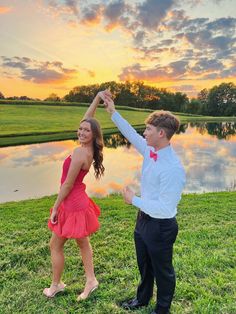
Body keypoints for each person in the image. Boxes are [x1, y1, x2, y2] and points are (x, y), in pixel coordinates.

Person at [103, 91, 186, 314]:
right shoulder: (151, 151)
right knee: (145, 265)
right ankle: (142, 299)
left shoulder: (173, 169)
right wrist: (113, 112)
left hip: (161, 226)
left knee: (163, 270)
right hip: (143, 221)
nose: (144, 132)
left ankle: (162, 309)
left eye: (148, 129)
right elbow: (130, 134)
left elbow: (166, 208)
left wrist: (134, 200)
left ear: (161, 133)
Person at [43, 92, 105, 300]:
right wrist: (97, 99)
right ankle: (91, 280)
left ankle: (56, 285)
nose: (81, 131)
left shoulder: (80, 153)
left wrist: (56, 207)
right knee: (82, 242)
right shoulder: (88, 149)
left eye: (86, 130)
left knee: (55, 245)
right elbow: (88, 120)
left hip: (71, 203)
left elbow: (68, 184)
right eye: (80, 129)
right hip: (80, 201)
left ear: (93, 134)